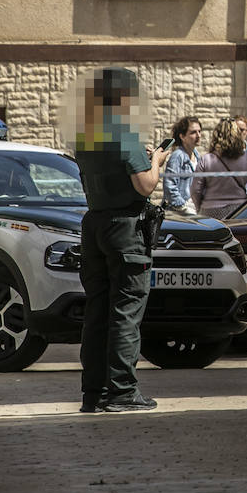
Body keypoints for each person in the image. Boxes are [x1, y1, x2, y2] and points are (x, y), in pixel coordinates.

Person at [71, 67, 172, 413]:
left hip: (94, 225)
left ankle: (93, 392)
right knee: (125, 311)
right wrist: (156, 161)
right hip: (125, 228)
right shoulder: (123, 132)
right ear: (124, 97)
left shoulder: (85, 134)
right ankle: (123, 392)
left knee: (97, 312)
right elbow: (145, 184)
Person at [191, 118, 247, 219]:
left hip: (210, 209)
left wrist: (200, 207)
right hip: (239, 210)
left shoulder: (207, 159)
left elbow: (195, 190)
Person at [162, 115, 202, 215]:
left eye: (199, 131)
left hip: (194, 211)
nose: (198, 135)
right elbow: (169, 186)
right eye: (193, 132)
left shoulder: (197, 155)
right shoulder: (177, 156)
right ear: (182, 136)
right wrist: (183, 207)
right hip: (178, 213)